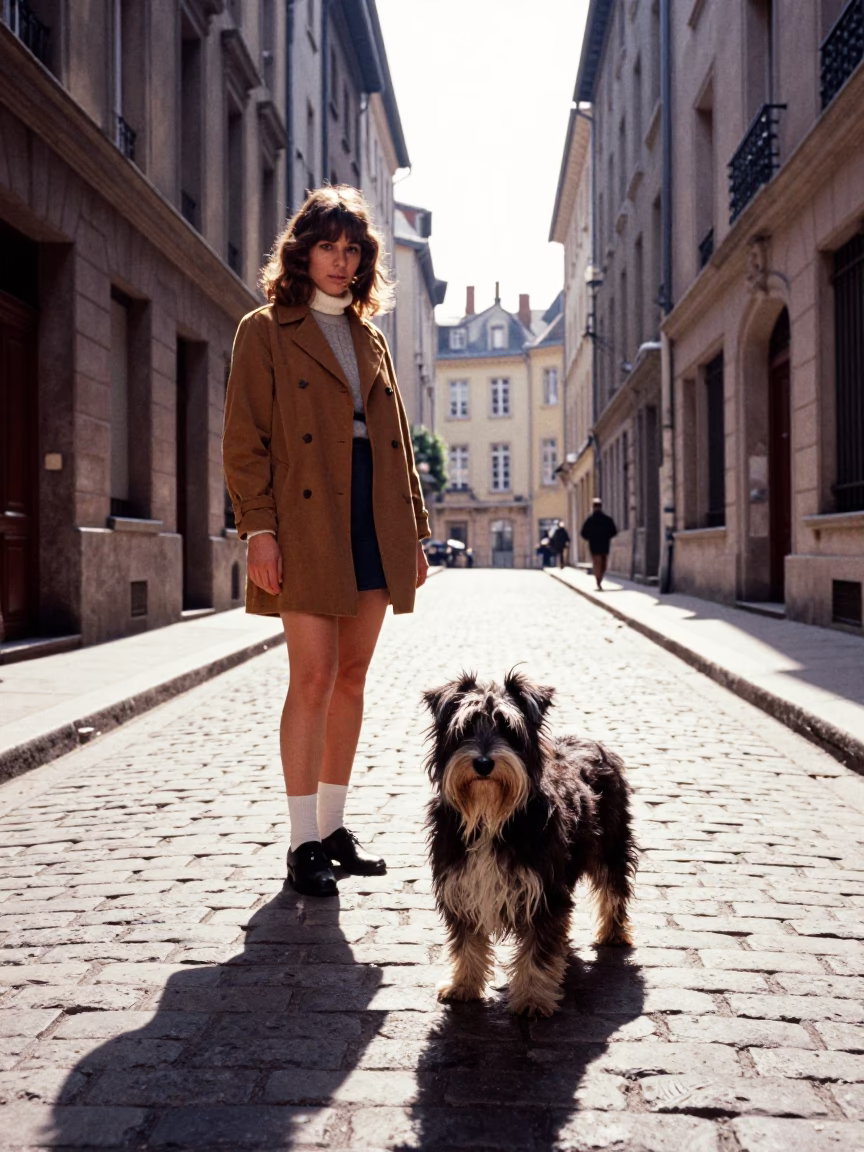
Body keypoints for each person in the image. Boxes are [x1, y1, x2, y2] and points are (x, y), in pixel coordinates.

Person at [223, 186, 430, 898]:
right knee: (310, 676)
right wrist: (259, 528)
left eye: (352, 250)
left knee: (351, 677)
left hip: (375, 512)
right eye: (328, 247)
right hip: (306, 517)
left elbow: (397, 443)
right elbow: (244, 442)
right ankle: (300, 841)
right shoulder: (264, 329)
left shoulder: (371, 337)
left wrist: (415, 534)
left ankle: (334, 828)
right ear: (302, 252)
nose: (341, 262)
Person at [580, 497, 618, 589]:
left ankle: (598, 580)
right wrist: (607, 536)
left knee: (597, 563)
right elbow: (614, 531)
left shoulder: (590, 520)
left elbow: (583, 533)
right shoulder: (606, 519)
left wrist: (590, 537)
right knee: (603, 563)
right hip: (604, 544)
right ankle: (599, 580)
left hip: (594, 544)